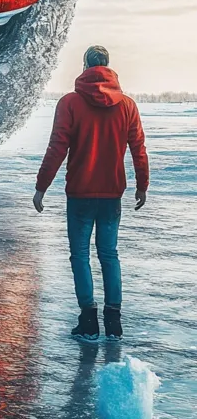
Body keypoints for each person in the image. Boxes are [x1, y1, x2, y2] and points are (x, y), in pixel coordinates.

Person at [32, 46, 149, 340]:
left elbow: (57, 147)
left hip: (81, 194)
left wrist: (41, 187)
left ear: (85, 66)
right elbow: (139, 150)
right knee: (109, 255)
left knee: (80, 255)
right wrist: (141, 185)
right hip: (112, 194)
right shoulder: (127, 106)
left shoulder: (70, 103)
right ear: (109, 67)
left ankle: (88, 320)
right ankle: (114, 321)